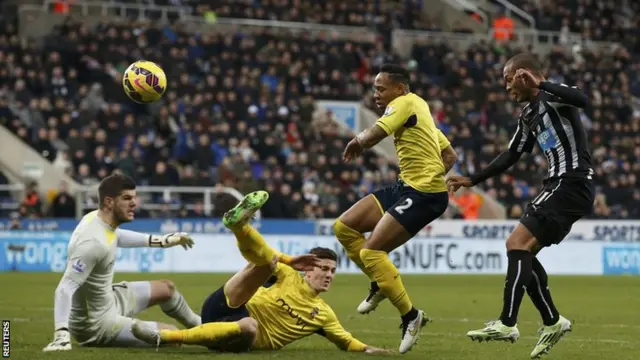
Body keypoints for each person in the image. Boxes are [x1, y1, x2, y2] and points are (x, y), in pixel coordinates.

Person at [447, 53, 593, 359]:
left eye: (508, 78)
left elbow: (583, 99)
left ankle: (507, 323)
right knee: (522, 254)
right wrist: (474, 179)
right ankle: (552, 322)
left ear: (524, 75)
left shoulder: (554, 97)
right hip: (558, 185)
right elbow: (511, 154)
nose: (506, 86)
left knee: (516, 244)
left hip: (572, 182)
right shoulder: (528, 114)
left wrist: (542, 83)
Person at [131, 191, 391, 355]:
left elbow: (347, 342)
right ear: (308, 270)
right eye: (323, 268)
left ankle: (163, 338)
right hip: (225, 304)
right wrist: (288, 261)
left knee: (248, 326)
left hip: (243, 334)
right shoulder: (289, 275)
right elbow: (269, 258)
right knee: (265, 264)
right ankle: (239, 227)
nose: (328, 275)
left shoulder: (323, 315)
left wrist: (373, 350)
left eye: (332, 270)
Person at [337, 63, 458, 353]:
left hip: (424, 194)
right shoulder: (420, 109)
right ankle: (380, 283)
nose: (376, 93)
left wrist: (358, 141)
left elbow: (378, 132)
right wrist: (434, 174)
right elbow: (450, 155)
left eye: (381, 88)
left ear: (399, 88)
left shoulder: (404, 103)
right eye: (375, 88)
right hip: (407, 187)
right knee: (344, 227)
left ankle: (411, 316)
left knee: (371, 251)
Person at [43, 173, 202, 351]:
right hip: (96, 325)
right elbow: (65, 288)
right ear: (109, 202)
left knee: (167, 288)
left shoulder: (97, 219)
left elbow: (116, 236)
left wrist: (162, 241)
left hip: (110, 301)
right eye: (127, 198)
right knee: (172, 335)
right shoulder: (91, 244)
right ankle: (207, 336)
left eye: (134, 198)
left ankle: (203, 327)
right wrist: (61, 334)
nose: (134, 203)